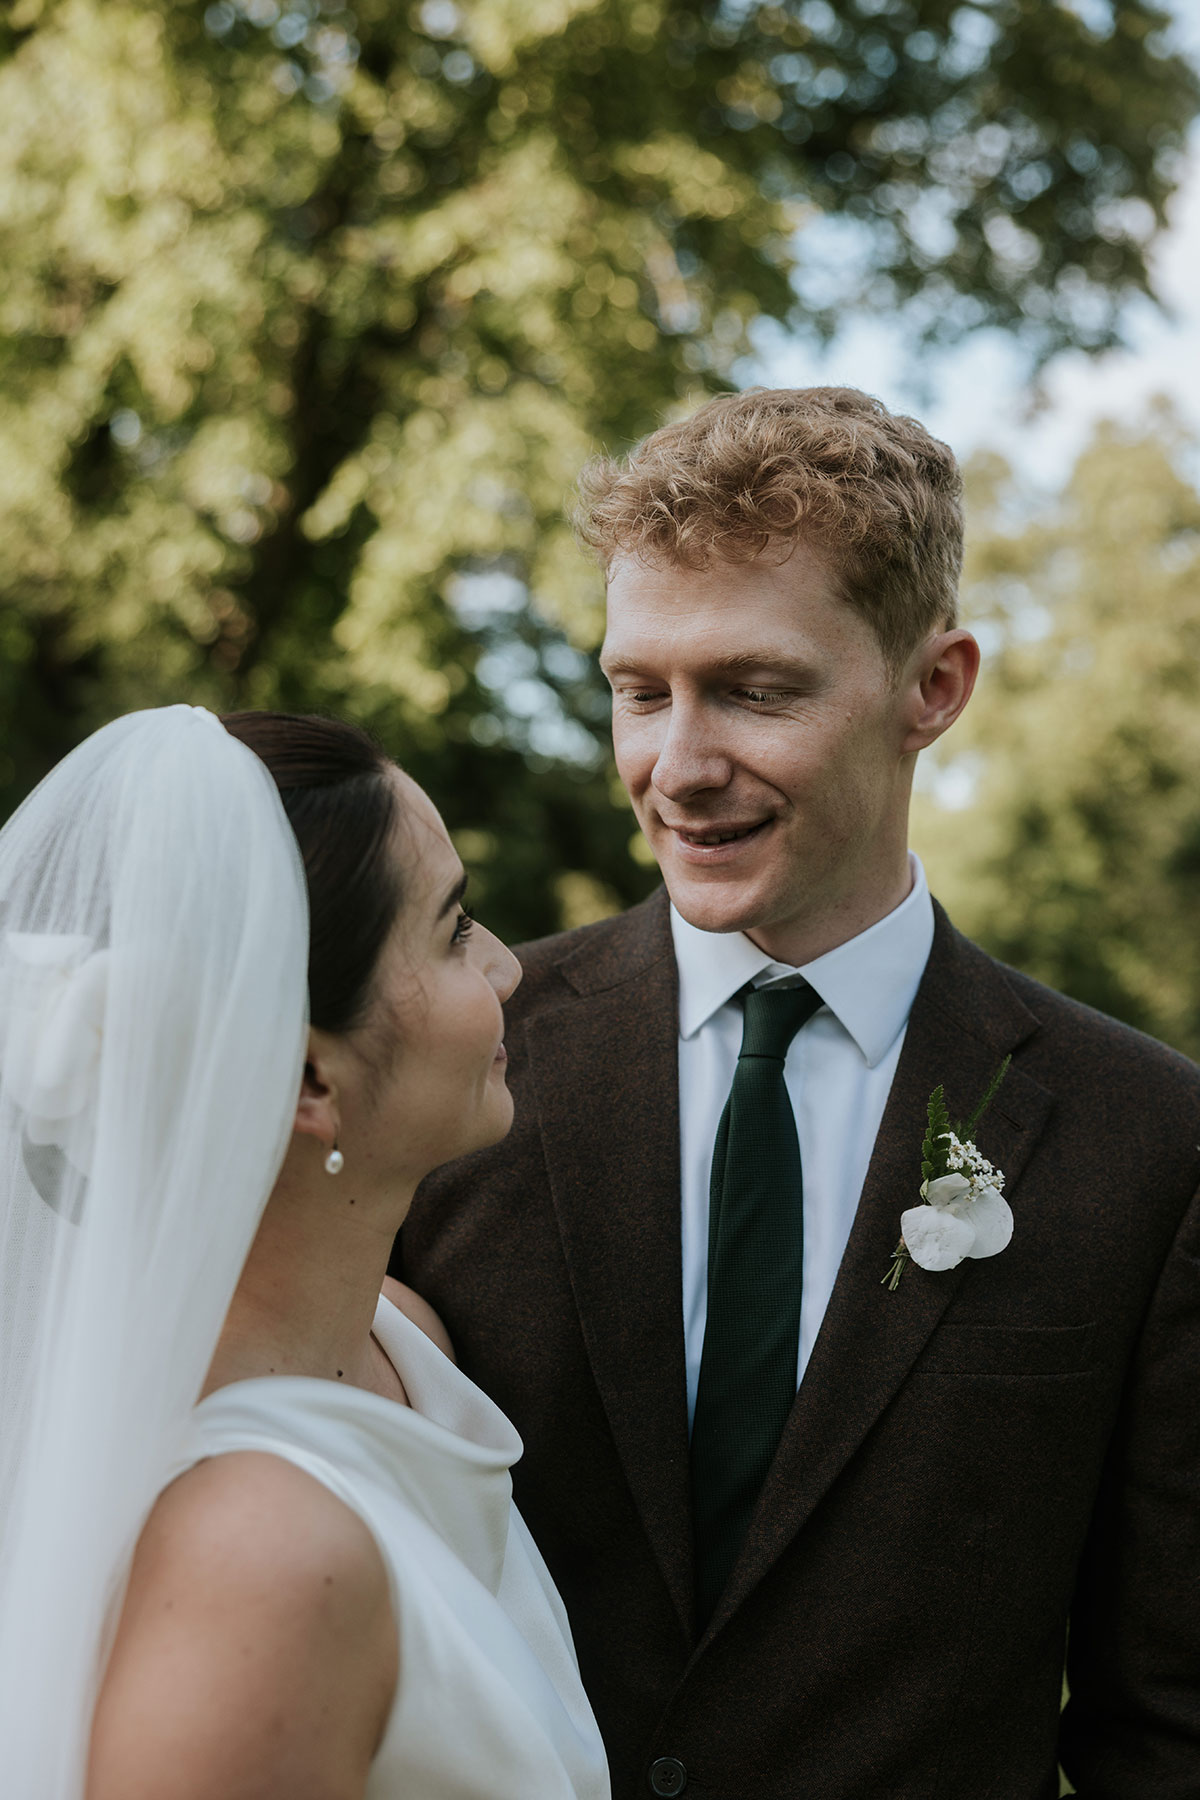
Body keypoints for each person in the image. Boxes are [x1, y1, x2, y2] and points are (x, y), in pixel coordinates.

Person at [399, 387, 1200, 1798]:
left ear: (933, 688)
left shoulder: (1147, 1141)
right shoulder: (458, 1061)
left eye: (757, 691)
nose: (679, 767)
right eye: (639, 692)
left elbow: (1166, 1718)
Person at [0, 705, 610, 1800]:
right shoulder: (258, 1557)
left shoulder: (403, 1343)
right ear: (308, 1082)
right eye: (455, 927)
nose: (509, 968)